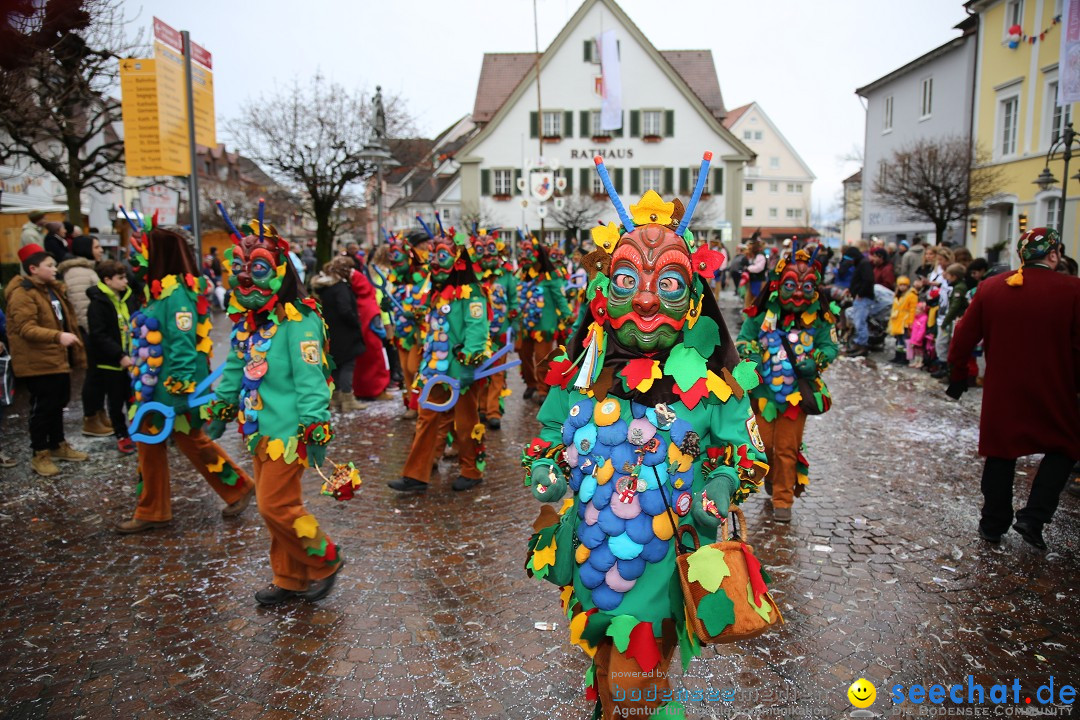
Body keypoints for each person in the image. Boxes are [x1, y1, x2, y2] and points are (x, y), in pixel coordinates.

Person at [524, 172, 770, 719]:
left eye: (669, 283)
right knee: (607, 661)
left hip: (662, 559)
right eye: (628, 278)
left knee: (636, 679)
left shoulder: (713, 386)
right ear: (602, 294)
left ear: (692, 302)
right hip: (591, 553)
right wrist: (544, 470)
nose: (645, 297)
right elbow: (546, 440)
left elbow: (747, 455)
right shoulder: (580, 378)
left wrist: (725, 484)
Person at [207, 213, 343, 604]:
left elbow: (312, 379)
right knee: (276, 507)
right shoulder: (249, 321)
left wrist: (315, 426)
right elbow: (236, 365)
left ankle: (325, 559)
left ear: (280, 271)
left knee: (274, 504)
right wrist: (221, 406)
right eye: (239, 268)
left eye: (258, 268)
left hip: (290, 431)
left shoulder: (300, 320)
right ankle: (289, 578)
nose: (245, 276)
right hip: (258, 429)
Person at [946, 228, 1080, 550]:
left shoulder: (992, 287)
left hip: (1003, 388)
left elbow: (962, 337)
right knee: (1064, 448)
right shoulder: (1074, 290)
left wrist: (958, 375)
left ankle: (993, 523)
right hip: (1056, 386)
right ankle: (1033, 517)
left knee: (1000, 451)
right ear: (1053, 254)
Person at [115, 226, 254, 534]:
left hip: (172, 389)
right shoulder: (158, 290)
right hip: (154, 387)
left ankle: (158, 508)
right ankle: (157, 508)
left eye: (142, 250)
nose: (135, 258)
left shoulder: (177, 293)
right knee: (165, 442)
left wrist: (178, 391)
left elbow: (182, 344)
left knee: (187, 439)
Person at [737, 246, 838, 522]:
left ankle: (783, 498)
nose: (797, 292)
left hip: (796, 397)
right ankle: (771, 476)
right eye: (791, 285)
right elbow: (743, 338)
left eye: (806, 287)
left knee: (786, 448)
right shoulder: (761, 313)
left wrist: (816, 360)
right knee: (764, 445)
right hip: (764, 395)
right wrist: (751, 353)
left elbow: (830, 346)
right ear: (778, 285)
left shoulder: (819, 318)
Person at [390, 230, 489, 494]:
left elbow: (477, 330)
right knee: (426, 419)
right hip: (435, 370)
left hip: (460, 371)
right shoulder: (437, 292)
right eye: (433, 255)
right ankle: (416, 475)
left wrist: (470, 363)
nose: (434, 261)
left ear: (457, 260)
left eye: (442, 255)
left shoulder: (472, 293)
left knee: (466, 424)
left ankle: (471, 470)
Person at [5, 244, 89, 476]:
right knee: (43, 407)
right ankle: (39, 453)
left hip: (56, 359)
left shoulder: (51, 289)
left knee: (58, 403)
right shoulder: (22, 294)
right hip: (37, 362)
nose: (55, 269)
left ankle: (57, 445)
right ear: (33, 268)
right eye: (49, 266)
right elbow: (24, 328)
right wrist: (58, 336)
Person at [58, 235, 110, 437]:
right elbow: (82, 308)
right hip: (91, 334)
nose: (100, 250)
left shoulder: (87, 269)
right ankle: (91, 418)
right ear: (86, 249)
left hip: (96, 333)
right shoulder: (79, 272)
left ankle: (99, 414)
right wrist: (98, 334)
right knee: (94, 376)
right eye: (96, 246)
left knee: (100, 375)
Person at [86, 260, 138, 454]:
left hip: (133, 358)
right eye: (120, 278)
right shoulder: (98, 304)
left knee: (133, 397)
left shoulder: (128, 297)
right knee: (116, 401)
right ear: (107, 280)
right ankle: (122, 435)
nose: (125, 281)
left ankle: (137, 429)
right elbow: (99, 335)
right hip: (111, 363)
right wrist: (119, 355)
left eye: (125, 277)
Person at [471, 230, 518, 431]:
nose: (487, 254)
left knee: (498, 373)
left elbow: (514, 300)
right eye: (481, 250)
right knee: (479, 372)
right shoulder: (471, 275)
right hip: (478, 334)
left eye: (490, 248)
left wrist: (514, 324)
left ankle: (493, 412)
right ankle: (480, 408)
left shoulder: (506, 275)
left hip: (500, 332)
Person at [516, 235, 571, 405]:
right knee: (523, 354)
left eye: (528, 252)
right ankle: (531, 383)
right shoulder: (523, 276)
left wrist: (567, 316)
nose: (524, 256)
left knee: (542, 357)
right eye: (522, 253)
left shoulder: (550, 277)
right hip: (526, 325)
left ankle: (542, 388)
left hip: (545, 326)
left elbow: (560, 299)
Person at [312, 256, 366, 412]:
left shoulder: (325, 287)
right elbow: (345, 310)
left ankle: (335, 398)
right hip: (345, 333)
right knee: (347, 365)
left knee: (335, 365)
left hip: (331, 331)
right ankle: (348, 399)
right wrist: (355, 321)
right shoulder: (341, 287)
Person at [348, 261, 392, 402]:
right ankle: (377, 390)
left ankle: (362, 390)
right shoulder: (368, 301)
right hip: (372, 340)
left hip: (360, 340)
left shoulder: (356, 301)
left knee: (361, 367)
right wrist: (384, 335)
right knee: (377, 364)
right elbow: (375, 322)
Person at [842, 245, 878, 356]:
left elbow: (868, 280)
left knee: (860, 322)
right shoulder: (861, 264)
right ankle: (858, 344)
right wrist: (851, 289)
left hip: (863, 298)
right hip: (860, 297)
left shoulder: (864, 264)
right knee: (858, 322)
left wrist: (860, 293)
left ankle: (862, 346)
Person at [888, 276, 917, 365]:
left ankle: (905, 359)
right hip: (897, 320)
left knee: (905, 341)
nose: (902, 287)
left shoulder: (912, 295)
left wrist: (910, 323)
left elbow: (913, 310)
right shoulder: (898, 295)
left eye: (904, 285)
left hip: (905, 321)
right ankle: (898, 356)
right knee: (898, 341)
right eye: (901, 285)